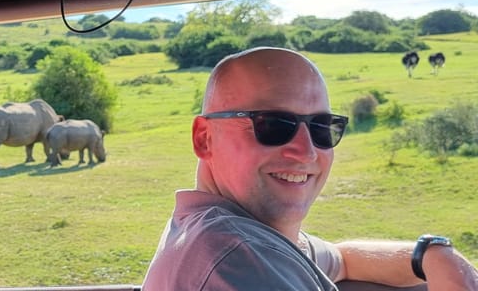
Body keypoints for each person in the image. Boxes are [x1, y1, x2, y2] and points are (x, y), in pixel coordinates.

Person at [142, 47, 478, 291]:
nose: (306, 152)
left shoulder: (251, 236)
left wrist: (433, 253)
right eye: (273, 124)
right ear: (205, 139)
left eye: (322, 128)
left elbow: (343, 259)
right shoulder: (233, 258)